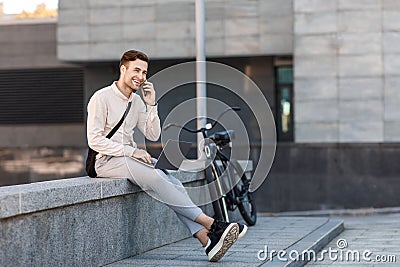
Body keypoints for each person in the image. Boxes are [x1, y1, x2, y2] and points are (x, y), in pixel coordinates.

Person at [86, 50, 247, 262]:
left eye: (144, 72)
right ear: (123, 69)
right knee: (155, 177)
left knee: (172, 181)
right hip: (104, 162)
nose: (141, 76)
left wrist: (151, 104)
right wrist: (132, 151)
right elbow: (94, 140)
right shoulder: (101, 97)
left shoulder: (136, 102)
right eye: (136, 70)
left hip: (130, 159)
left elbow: (153, 134)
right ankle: (212, 224)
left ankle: (207, 241)